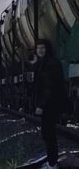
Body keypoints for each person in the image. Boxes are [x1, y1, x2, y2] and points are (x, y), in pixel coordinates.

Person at [33, 39, 67, 169]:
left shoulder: (50, 64)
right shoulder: (46, 62)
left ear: (47, 49)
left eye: (43, 48)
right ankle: (52, 161)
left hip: (50, 105)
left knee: (49, 134)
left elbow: (49, 87)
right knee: (48, 134)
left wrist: (41, 106)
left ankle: (52, 164)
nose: (40, 50)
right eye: (38, 48)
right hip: (50, 104)